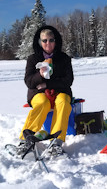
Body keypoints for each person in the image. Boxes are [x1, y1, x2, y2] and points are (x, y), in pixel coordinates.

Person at [18, 25, 74, 157]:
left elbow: (68, 81)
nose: (48, 43)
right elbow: (29, 81)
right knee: (42, 103)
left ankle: (56, 142)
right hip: (38, 93)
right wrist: (40, 76)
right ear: (39, 42)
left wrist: (46, 83)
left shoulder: (64, 58)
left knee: (64, 103)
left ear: (56, 41)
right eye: (44, 40)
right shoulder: (33, 59)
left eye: (51, 40)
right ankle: (26, 140)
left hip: (61, 91)